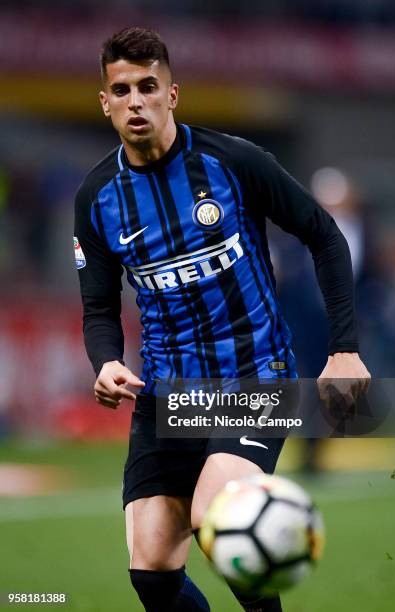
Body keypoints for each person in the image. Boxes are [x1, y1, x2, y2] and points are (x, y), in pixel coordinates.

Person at [74, 27, 370, 612]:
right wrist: (105, 360)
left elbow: (325, 237)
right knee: (152, 573)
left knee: (222, 519)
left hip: (257, 377)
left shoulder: (233, 162)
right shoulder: (97, 198)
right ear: (104, 102)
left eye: (148, 86)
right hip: (168, 395)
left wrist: (344, 348)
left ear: (172, 93)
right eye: (122, 89)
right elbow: (99, 307)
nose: (136, 101)